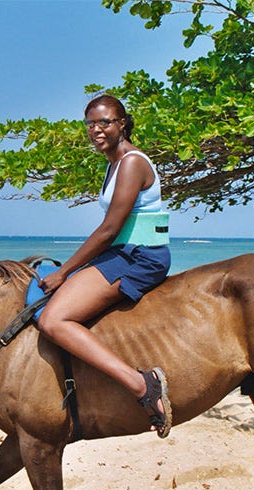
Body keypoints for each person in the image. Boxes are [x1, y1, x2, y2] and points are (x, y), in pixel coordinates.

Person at [37, 95, 173, 437]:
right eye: (91, 124)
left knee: (54, 320)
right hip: (124, 251)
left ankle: (143, 385)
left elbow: (110, 228)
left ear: (122, 123)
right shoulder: (113, 163)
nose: (96, 130)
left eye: (105, 123)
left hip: (140, 256)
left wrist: (64, 271)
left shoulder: (131, 163)